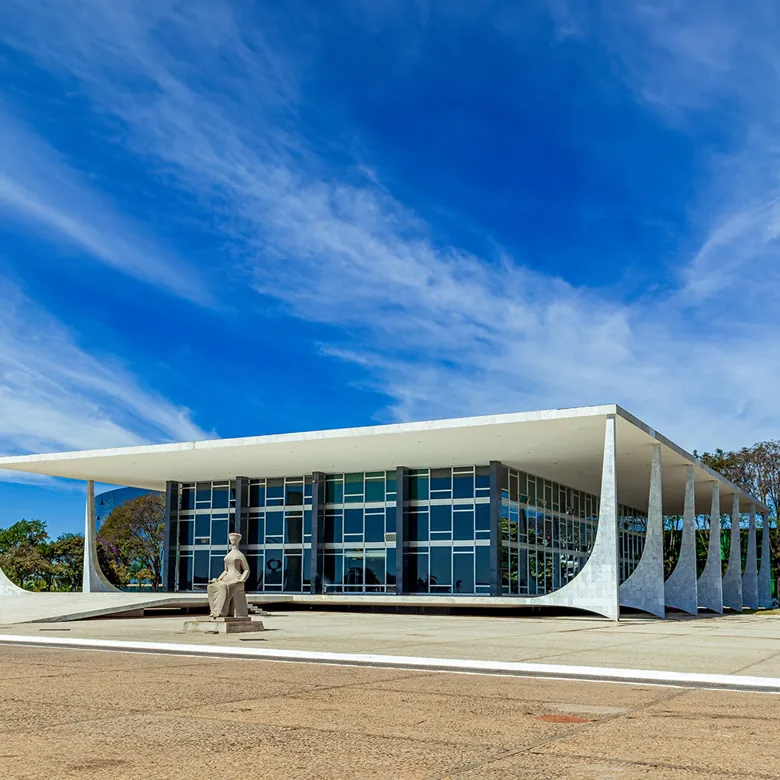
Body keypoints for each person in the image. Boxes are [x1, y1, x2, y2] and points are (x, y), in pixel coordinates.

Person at [207, 532, 250, 618]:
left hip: (236, 579)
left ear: (237, 541)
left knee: (223, 587)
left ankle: (221, 612)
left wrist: (242, 579)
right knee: (211, 587)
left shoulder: (240, 555)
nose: (232, 541)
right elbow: (225, 571)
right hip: (227, 578)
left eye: (234, 540)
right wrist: (218, 579)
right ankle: (214, 610)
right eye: (231, 540)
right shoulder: (228, 555)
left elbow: (246, 569)